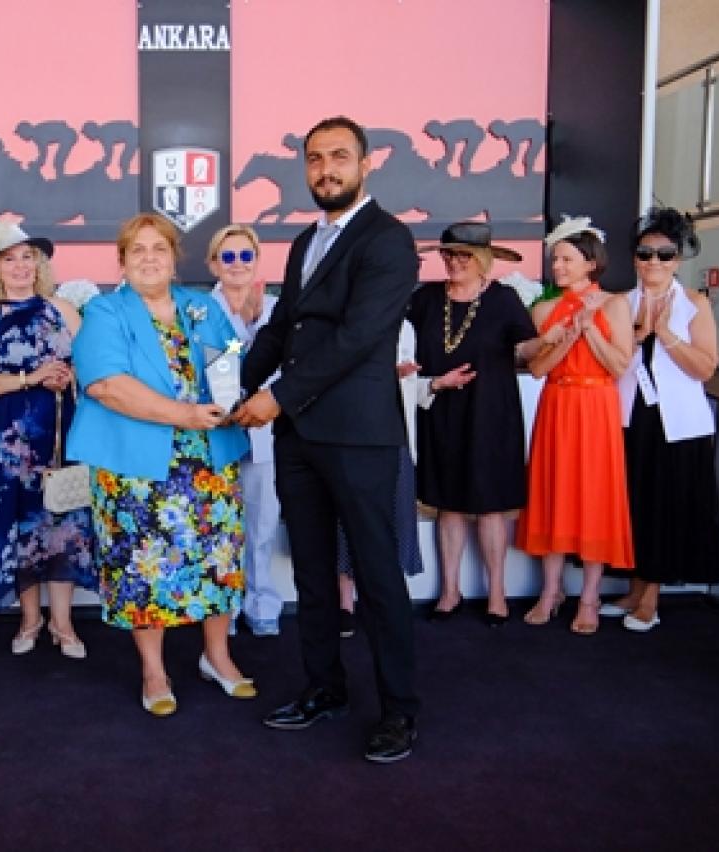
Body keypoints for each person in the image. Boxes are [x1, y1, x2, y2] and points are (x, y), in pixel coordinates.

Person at [234, 116, 420, 763]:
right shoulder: (305, 241)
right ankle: (324, 688)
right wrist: (236, 387)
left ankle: (400, 710)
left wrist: (276, 396)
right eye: (314, 158)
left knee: (376, 575)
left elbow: (357, 338)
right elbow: (283, 326)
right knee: (312, 573)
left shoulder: (388, 239)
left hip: (359, 436)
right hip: (301, 437)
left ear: (366, 164)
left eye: (339, 156)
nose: (325, 169)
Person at [70, 213, 252, 716]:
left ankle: (217, 657)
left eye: (159, 248)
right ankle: (154, 671)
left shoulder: (202, 306)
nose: (149, 258)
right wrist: (183, 414)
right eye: (138, 250)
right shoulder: (105, 311)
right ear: (122, 261)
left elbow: (230, 360)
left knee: (218, 560)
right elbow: (106, 385)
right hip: (135, 466)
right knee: (143, 567)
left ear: (175, 259)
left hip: (209, 459)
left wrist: (235, 398)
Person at [0, 212, 95, 658]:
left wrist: (69, 375)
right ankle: (29, 620)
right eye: (10, 259)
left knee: (62, 524)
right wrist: (30, 378)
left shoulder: (63, 310)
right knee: (16, 527)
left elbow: (94, 367)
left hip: (57, 437)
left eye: (27, 257)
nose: (21, 266)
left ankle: (63, 623)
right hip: (3, 444)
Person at [408, 222, 544, 626]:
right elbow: (400, 343)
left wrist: (556, 337)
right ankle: (449, 592)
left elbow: (526, 347)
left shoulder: (503, 299)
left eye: (462, 255)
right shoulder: (426, 298)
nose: (453, 261)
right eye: (448, 254)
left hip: (490, 414)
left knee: (490, 506)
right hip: (440, 409)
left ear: (483, 260)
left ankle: (497, 594)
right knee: (447, 504)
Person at [601, 207, 719, 631]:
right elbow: (612, 363)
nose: (653, 261)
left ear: (677, 259)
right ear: (635, 258)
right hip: (629, 415)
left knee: (665, 506)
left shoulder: (694, 304)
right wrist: (638, 336)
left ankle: (650, 599)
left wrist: (667, 335)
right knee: (632, 503)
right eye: (645, 253)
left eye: (664, 254)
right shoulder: (621, 303)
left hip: (678, 423)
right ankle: (634, 588)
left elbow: (705, 367)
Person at [515, 216, 635, 634]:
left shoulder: (615, 305)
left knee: (594, 495)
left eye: (566, 259)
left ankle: (589, 597)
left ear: (591, 262)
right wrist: (565, 338)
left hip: (597, 405)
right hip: (556, 403)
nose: (558, 267)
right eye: (555, 259)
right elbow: (536, 369)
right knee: (554, 491)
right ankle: (551, 591)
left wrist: (590, 332)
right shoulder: (544, 309)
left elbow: (619, 366)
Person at [206, 223, 281, 637]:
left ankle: (261, 601)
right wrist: (241, 326)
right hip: (220, 428)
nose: (237, 264)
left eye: (245, 256)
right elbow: (216, 359)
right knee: (221, 523)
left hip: (266, 426)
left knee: (263, 521)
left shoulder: (276, 307)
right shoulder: (202, 310)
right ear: (214, 264)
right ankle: (225, 607)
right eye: (228, 256)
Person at [337, 319, 424, 637]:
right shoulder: (343, 320)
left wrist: (431, 384)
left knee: (396, 517)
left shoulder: (406, 327)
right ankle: (344, 603)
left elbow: (411, 386)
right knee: (344, 518)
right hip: (348, 432)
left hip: (395, 433)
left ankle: (386, 600)